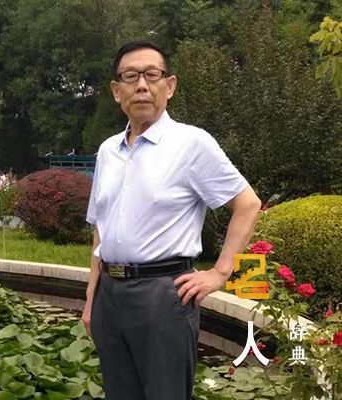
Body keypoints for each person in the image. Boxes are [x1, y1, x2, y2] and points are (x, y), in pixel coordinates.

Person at [83, 41, 262, 400]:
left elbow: (248, 204)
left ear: (170, 85)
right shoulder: (107, 151)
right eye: (130, 77)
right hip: (109, 296)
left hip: (162, 295)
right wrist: (91, 300)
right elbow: (100, 228)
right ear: (117, 91)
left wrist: (220, 272)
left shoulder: (191, 144)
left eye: (152, 75)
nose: (142, 85)